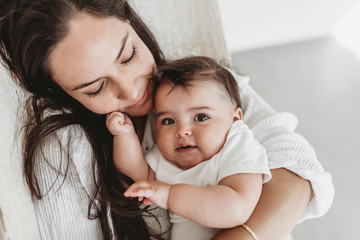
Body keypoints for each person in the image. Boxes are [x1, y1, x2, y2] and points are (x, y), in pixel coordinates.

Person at [0, 0, 334, 239]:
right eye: (97, 87)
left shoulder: (206, 84)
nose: (132, 91)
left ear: (131, 22)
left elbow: (300, 169)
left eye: (129, 55)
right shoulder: (67, 151)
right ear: (60, 92)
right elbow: (139, 172)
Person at [106, 56, 272, 239]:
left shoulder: (237, 147)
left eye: (201, 117)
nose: (182, 131)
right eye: (168, 121)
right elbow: (134, 172)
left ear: (234, 120)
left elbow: (237, 208)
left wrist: (169, 196)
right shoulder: (167, 159)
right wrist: (124, 135)